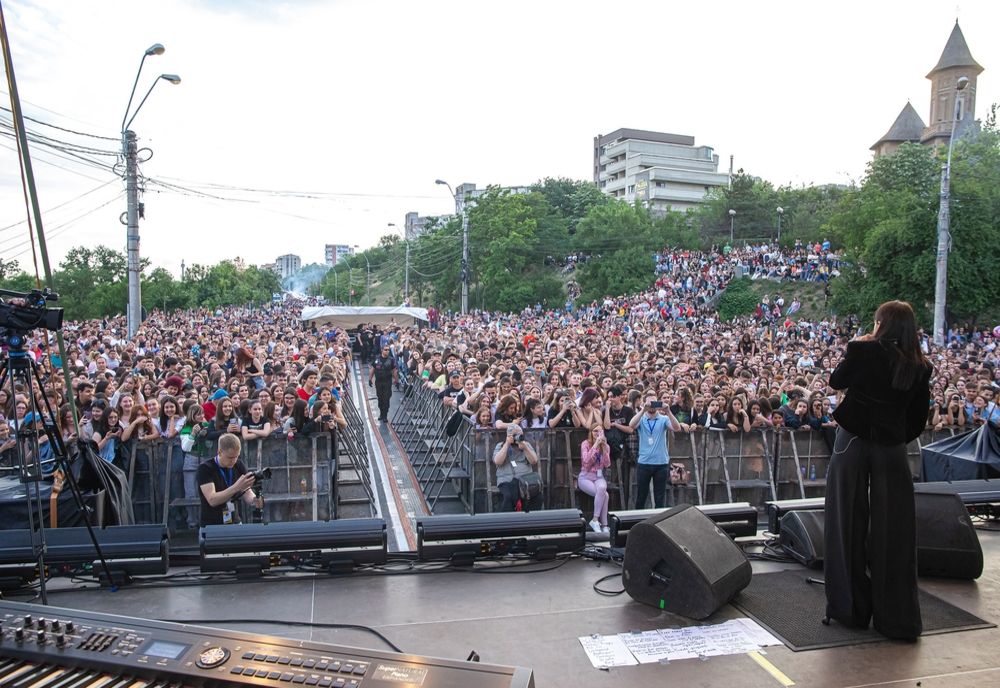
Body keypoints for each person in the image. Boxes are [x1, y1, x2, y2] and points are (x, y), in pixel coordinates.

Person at [824, 300, 932, 641]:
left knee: (846, 524)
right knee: (895, 531)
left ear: (881, 324)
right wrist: (893, 437)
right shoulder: (919, 365)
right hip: (892, 450)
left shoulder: (863, 351)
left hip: (852, 442)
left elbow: (835, 381)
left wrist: (859, 345)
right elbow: (917, 419)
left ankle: (850, 609)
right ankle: (897, 619)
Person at [196, 433, 262, 526]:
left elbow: (247, 491)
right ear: (219, 452)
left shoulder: (238, 464)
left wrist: (255, 500)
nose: (234, 461)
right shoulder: (205, 468)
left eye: (237, 456)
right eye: (230, 457)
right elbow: (212, 500)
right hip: (212, 524)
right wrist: (236, 487)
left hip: (235, 521)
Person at [628, 393, 681, 509]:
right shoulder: (641, 418)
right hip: (644, 462)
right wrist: (642, 410)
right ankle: (638, 522)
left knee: (660, 498)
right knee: (641, 496)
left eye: (654, 403)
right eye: (649, 403)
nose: (651, 406)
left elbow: (677, 428)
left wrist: (668, 411)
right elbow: (631, 425)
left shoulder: (663, 419)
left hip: (661, 463)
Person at [492, 423, 541, 512]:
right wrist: (507, 444)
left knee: (536, 495)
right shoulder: (500, 445)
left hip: (526, 480)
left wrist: (525, 448)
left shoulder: (526, 444)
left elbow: (534, 461)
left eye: (520, 434)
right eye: (516, 435)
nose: (519, 437)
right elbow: (497, 461)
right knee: (509, 496)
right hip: (506, 480)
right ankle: (508, 521)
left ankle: (532, 519)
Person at [579, 426, 611, 533]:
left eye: (600, 430)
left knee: (602, 488)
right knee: (604, 495)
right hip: (585, 476)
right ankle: (604, 524)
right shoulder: (585, 444)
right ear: (591, 432)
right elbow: (586, 462)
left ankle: (595, 520)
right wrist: (596, 444)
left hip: (598, 477)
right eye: (595, 430)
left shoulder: (605, 446)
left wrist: (604, 448)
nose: (597, 432)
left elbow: (607, 464)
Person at [369, 344, 398, 422]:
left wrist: (396, 380)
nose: (387, 351)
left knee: (386, 399)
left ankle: (385, 415)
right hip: (378, 382)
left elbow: (394, 370)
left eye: (388, 350)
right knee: (380, 398)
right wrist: (370, 379)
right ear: (382, 350)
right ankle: (381, 413)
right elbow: (373, 369)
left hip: (387, 382)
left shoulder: (391, 360)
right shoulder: (376, 359)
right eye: (385, 349)